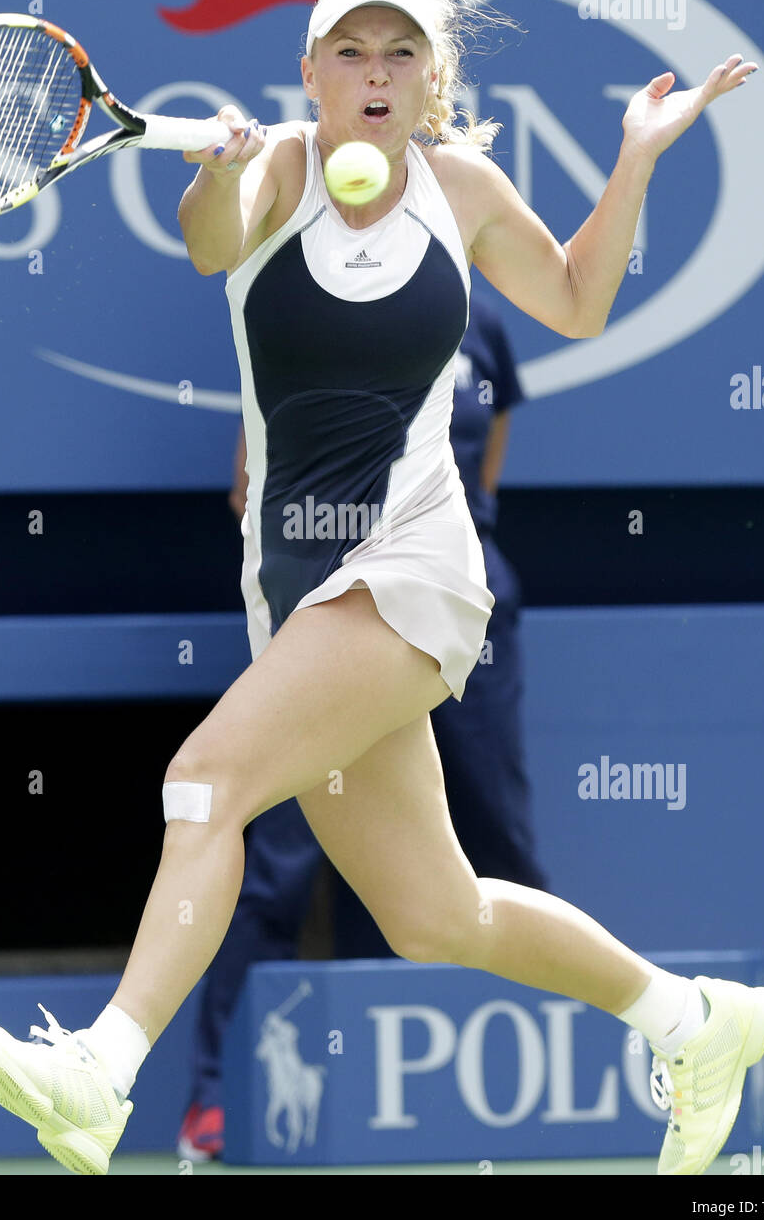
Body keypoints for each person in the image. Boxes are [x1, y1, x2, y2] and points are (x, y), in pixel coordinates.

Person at [0, 0, 764, 1177]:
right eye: (351, 52)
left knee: (205, 785)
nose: (376, 73)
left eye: (401, 53)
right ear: (312, 72)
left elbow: (578, 300)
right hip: (290, 590)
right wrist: (222, 170)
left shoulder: (465, 190)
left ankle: (102, 1068)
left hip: (415, 563)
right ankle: (692, 1020)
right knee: (438, 915)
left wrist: (637, 158)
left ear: (434, 79)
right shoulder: (277, 166)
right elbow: (209, 245)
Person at [178, 293, 545, 1160]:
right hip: (337, 611)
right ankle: (212, 1099)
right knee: (277, 870)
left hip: (458, 606)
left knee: (498, 847)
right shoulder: (308, 303)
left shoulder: (482, 321)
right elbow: (249, 485)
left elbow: (483, 469)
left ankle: (553, 1083)